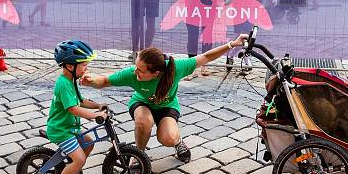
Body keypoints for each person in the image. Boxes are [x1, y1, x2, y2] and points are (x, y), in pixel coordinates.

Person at [82, 34, 249, 163]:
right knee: (143, 122)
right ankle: (138, 156)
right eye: (136, 67)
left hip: (167, 106)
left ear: (156, 73)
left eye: (140, 70)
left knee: (167, 138)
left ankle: (178, 142)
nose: (135, 72)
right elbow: (104, 81)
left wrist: (232, 44)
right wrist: (90, 81)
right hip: (142, 103)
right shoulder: (132, 74)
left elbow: (205, 57)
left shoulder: (175, 68)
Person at [46, 40, 108, 174]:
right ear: (69, 66)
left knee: (88, 143)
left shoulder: (71, 81)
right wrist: (94, 115)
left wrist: (97, 105)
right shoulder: (63, 84)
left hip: (71, 128)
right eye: (83, 65)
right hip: (61, 130)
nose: (86, 68)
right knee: (79, 158)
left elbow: (81, 102)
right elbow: (73, 109)